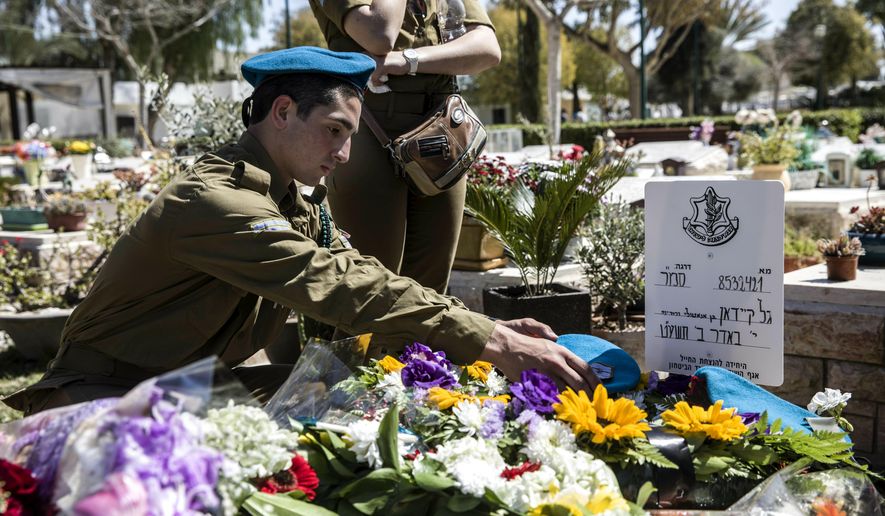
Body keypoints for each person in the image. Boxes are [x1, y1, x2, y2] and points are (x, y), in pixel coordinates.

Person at [4, 47, 598, 416]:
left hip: (182, 387)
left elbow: (365, 278)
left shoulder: (290, 200)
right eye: (335, 131)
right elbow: (336, 284)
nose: (344, 154)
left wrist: (485, 328)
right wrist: (494, 342)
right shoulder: (216, 201)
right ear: (283, 111)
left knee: (362, 406)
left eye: (350, 137)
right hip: (103, 400)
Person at [308, 0, 501, 297]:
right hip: (367, 126)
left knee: (430, 289)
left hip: (440, 130)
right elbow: (379, 33)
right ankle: (351, 346)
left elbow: (486, 49)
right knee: (369, 286)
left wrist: (407, 60)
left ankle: (415, 346)